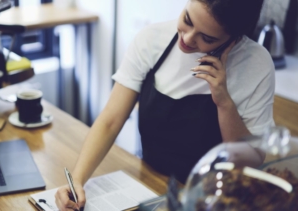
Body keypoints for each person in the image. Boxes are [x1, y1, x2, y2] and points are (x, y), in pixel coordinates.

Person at [56, 0, 274, 210]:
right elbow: (110, 121)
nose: (187, 39)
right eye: (187, 20)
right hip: (150, 186)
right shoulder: (152, 40)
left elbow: (250, 163)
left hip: (216, 200)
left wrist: (224, 101)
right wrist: (77, 180)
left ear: (234, 38)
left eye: (207, 38)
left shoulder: (256, 64)